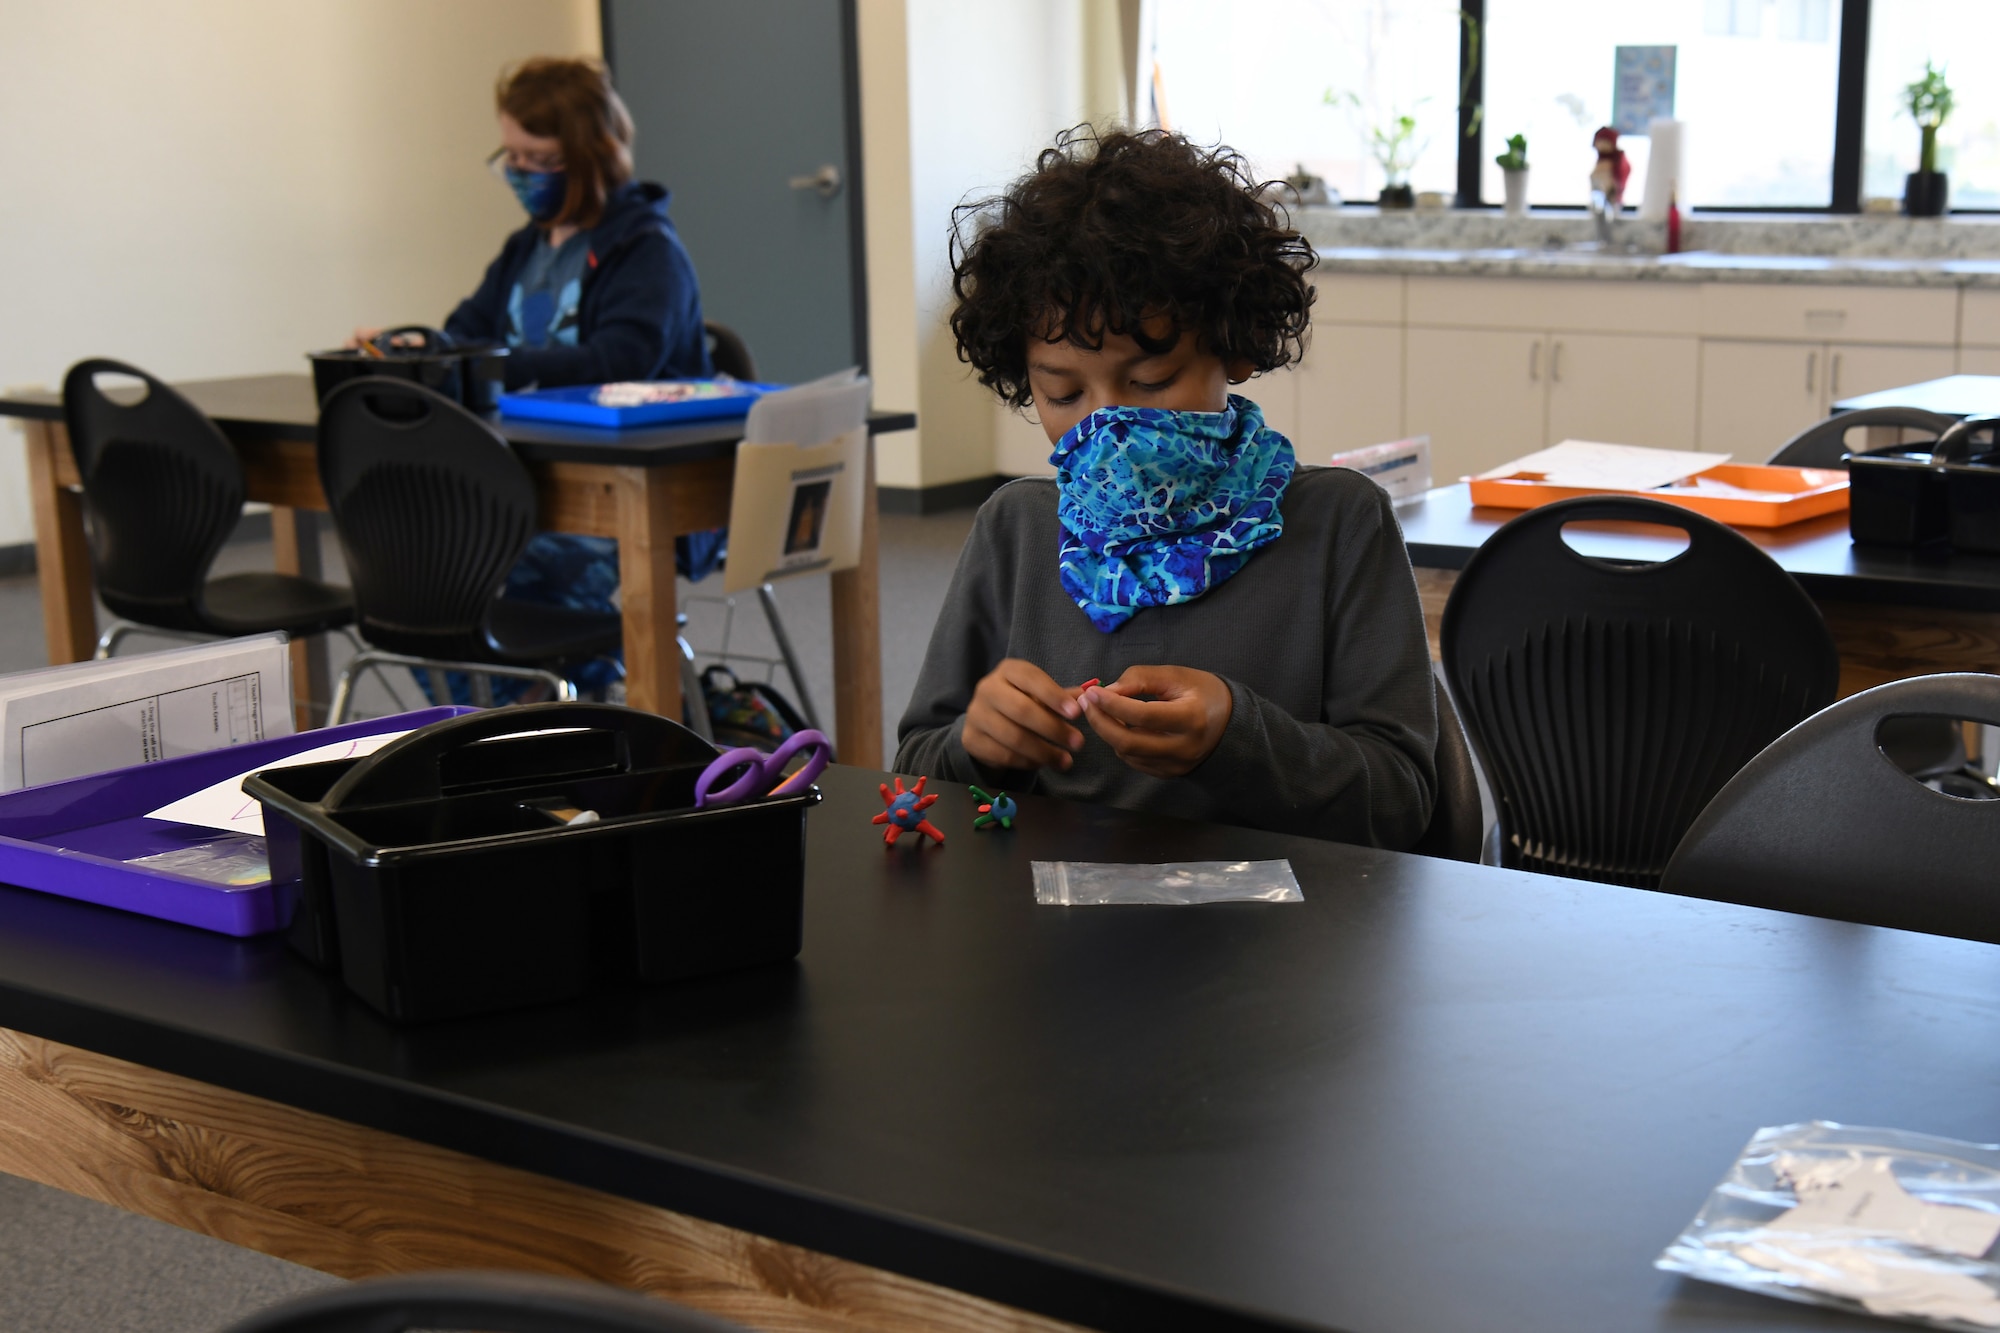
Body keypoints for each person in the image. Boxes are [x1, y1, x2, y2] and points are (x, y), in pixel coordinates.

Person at [894, 128, 1438, 848]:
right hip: (1052, 934)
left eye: (1149, 383)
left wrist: (1238, 737)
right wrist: (976, 744)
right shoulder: (1016, 530)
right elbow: (913, 779)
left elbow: (1402, 800)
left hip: (1287, 932)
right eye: (1062, 392)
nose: (1107, 426)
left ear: (1234, 348)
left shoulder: (1338, 523)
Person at [350, 58, 715, 698]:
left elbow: (619, 361)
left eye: (538, 158)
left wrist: (487, 362)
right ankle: (507, 734)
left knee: (494, 585)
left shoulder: (646, 248)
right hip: (520, 481)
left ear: (592, 155)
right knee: (413, 579)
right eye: (512, 156)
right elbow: (465, 329)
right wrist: (419, 348)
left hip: (618, 491)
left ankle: (561, 718)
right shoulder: (527, 247)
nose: (521, 173)